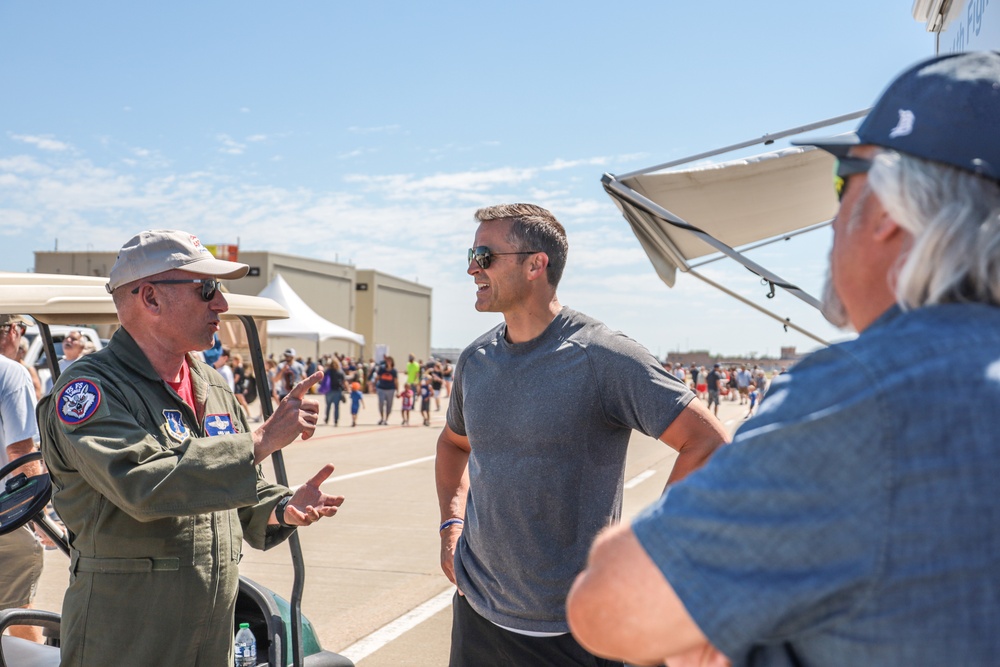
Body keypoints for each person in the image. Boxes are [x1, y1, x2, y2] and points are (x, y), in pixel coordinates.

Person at [566, 51, 1000, 667]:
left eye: (842, 181)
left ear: (887, 211)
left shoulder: (868, 394)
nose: (832, 217)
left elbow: (608, 609)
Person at [436, 203, 729, 667]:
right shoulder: (476, 360)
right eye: (471, 255)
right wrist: (451, 525)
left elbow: (708, 442)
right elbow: (454, 444)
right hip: (477, 618)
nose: (472, 267)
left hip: (575, 630)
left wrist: (645, 551)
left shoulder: (603, 356)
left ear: (536, 264)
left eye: (485, 256)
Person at [37, 230, 345, 667]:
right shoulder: (90, 390)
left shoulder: (212, 386)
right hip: (127, 639)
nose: (221, 303)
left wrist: (282, 508)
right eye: (207, 289)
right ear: (150, 298)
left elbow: (231, 491)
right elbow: (143, 483)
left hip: (208, 634)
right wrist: (259, 441)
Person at [0, 314, 46, 644]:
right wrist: (41, 516)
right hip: (4, 516)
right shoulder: (11, 373)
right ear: (13, 331)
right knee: (17, 608)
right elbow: (21, 453)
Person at [322, 358, 347, 426]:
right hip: (337, 391)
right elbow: (344, 381)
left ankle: (327, 419)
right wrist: (347, 389)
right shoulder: (340, 371)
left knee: (328, 406)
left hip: (329, 391)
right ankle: (336, 421)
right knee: (336, 407)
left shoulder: (328, 371)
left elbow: (323, 379)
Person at [374, 356, 399, 425]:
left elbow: (396, 381)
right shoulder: (382, 369)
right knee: (381, 404)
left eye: (390, 361)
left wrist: (397, 391)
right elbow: (377, 377)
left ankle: (386, 419)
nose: (388, 362)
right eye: (387, 361)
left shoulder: (394, 371)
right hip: (381, 388)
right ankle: (382, 418)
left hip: (390, 389)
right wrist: (374, 386)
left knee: (389, 405)